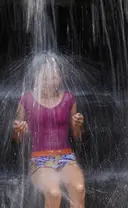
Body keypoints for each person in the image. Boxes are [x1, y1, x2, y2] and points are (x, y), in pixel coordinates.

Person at [12, 56, 85, 208]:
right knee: (54, 193)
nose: (49, 82)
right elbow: (17, 138)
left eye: (54, 77)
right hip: (39, 160)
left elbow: (77, 135)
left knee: (79, 189)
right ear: (36, 77)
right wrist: (18, 129)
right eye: (44, 77)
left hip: (66, 157)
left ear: (61, 77)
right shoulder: (26, 100)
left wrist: (78, 123)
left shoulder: (69, 99)